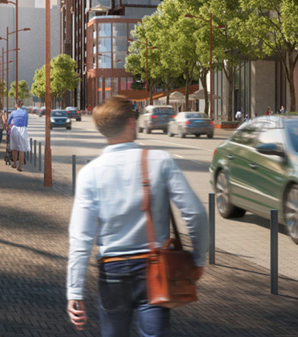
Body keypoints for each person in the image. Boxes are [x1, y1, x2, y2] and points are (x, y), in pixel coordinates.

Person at [65, 96, 205, 335]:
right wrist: (198, 259)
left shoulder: (90, 173)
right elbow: (195, 212)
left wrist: (74, 292)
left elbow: (81, 238)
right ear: (131, 124)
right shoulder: (160, 161)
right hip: (153, 270)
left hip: (112, 272)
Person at [7, 100, 31, 172]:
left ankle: (14, 164)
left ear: (16, 105)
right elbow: (26, 124)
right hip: (23, 130)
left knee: (14, 148)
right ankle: (20, 166)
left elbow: (8, 122)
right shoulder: (25, 113)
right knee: (21, 149)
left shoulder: (13, 112)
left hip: (15, 129)